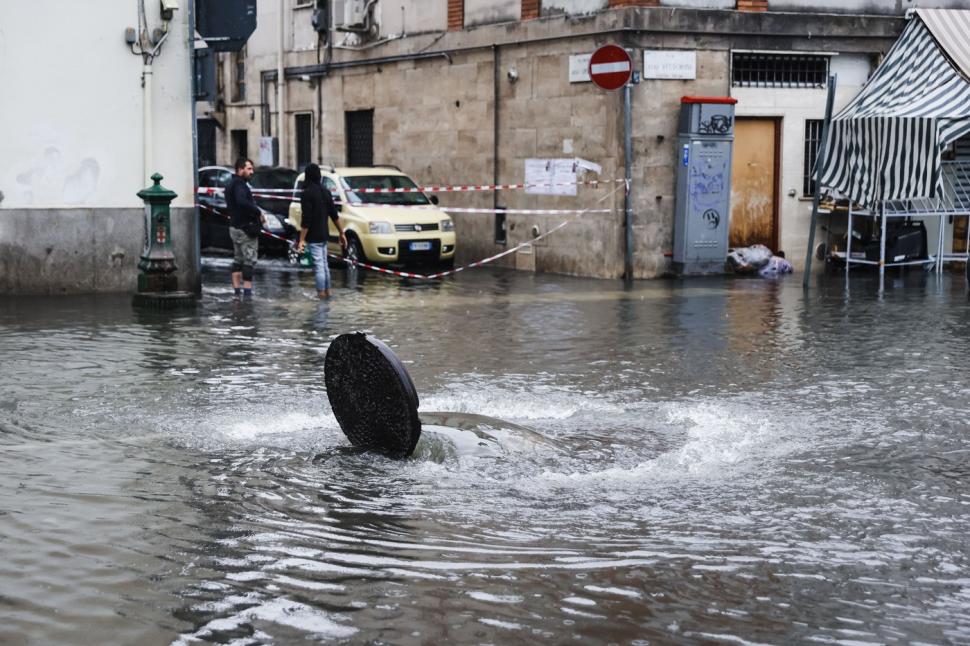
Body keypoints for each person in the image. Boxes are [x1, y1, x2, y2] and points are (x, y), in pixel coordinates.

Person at [296, 163, 346, 298]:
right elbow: (334, 214)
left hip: (313, 236)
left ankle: (321, 294)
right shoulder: (325, 191)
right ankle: (328, 291)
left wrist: (301, 240)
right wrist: (341, 233)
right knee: (324, 265)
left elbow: (306, 219)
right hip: (324, 234)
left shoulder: (306, 193)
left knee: (319, 266)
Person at [226, 157, 265, 298]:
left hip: (234, 228)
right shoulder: (239, 185)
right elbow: (242, 201)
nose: (252, 172)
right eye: (249, 169)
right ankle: (247, 295)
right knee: (249, 261)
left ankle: (237, 293)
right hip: (245, 229)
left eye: (252, 169)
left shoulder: (231, 183)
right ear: (240, 169)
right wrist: (258, 211)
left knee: (238, 260)